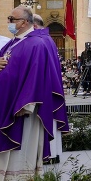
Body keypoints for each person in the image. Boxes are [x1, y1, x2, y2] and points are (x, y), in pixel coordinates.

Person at [0, 7, 68, 181]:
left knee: (24, 144)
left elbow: (36, 76)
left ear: (24, 22)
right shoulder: (15, 42)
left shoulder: (36, 44)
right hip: (7, 103)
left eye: (12, 19)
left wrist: (26, 104)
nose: (9, 22)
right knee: (11, 147)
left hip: (24, 108)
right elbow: (0, 60)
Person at [32, 14, 68, 164]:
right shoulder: (47, 39)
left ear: (33, 25)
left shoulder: (39, 40)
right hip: (50, 85)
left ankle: (50, 154)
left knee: (46, 119)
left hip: (44, 87)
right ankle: (53, 153)